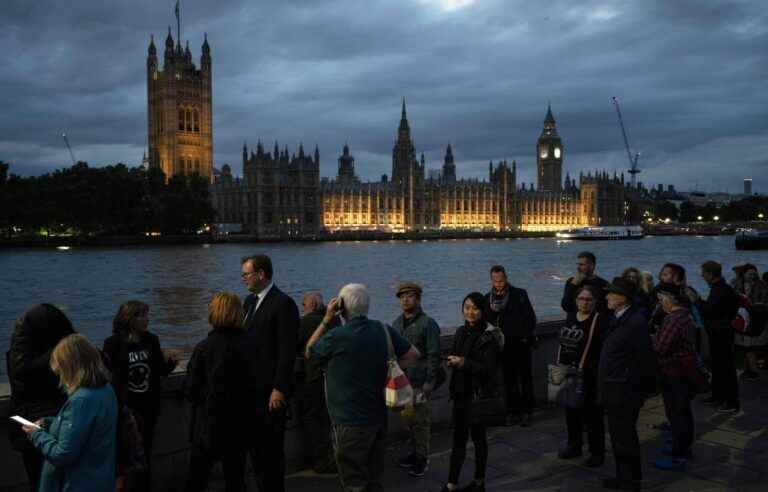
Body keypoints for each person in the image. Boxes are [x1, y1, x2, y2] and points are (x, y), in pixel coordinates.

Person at [306, 283, 419, 492]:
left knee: (353, 482)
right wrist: (386, 369)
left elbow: (310, 351)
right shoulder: (383, 329)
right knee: (374, 478)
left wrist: (326, 319)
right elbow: (413, 354)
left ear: (341, 307)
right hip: (378, 417)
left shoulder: (337, 336)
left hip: (349, 422)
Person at [22, 334, 118, 492]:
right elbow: (86, 429)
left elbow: (63, 454)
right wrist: (50, 422)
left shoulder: (81, 400)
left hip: (78, 484)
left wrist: (36, 434)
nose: (60, 377)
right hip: (102, 480)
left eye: (61, 370)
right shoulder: (106, 390)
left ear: (70, 367)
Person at [103, 300, 178, 490]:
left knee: (144, 456)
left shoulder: (151, 340)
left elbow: (158, 371)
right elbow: (108, 375)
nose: (147, 319)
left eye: (147, 315)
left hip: (148, 408)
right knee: (123, 456)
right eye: (143, 315)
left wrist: (171, 364)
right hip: (126, 409)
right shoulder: (113, 344)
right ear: (130, 318)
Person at [240, 254, 300, 492]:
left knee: (271, 451)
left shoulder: (283, 303)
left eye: (247, 274)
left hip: (271, 393)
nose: (243, 278)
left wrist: (279, 388)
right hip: (251, 391)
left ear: (261, 274)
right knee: (256, 449)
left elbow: (287, 351)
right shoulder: (248, 302)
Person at [184, 292, 252, 492]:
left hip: (208, 423)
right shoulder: (250, 345)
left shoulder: (204, 348)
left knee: (197, 479)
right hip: (239, 422)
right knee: (236, 478)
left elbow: (191, 390)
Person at [439, 292, 504, 492]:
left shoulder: (489, 337)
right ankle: (452, 483)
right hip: (460, 393)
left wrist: (464, 363)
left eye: (475, 308)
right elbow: (459, 358)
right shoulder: (460, 331)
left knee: (478, 440)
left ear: (483, 311)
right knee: (458, 441)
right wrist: (453, 362)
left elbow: (488, 369)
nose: (470, 312)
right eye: (466, 307)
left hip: (477, 397)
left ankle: (479, 481)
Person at [7, 304, 75, 492]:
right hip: (50, 420)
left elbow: (21, 376)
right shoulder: (58, 353)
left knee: (39, 479)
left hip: (28, 421)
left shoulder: (21, 351)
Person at [599, 277, 657, 492]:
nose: (607, 296)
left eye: (611, 294)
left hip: (624, 390)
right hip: (615, 387)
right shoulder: (619, 317)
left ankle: (631, 483)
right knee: (618, 437)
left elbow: (644, 359)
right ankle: (623, 478)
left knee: (625, 439)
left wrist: (637, 390)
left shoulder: (635, 322)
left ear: (623, 298)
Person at [392, 282, 442, 477]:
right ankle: (414, 454)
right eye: (402, 297)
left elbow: (434, 355)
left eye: (409, 296)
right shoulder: (396, 323)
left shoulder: (428, 323)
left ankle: (422, 458)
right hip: (404, 383)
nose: (405, 299)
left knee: (421, 421)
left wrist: (429, 382)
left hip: (421, 383)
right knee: (409, 421)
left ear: (418, 299)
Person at [556, 286, 607, 468]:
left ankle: (597, 452)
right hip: (570, 371)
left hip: (589, 374)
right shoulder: (571, 316)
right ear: (576, 300)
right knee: (571, 411)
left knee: (593, 416)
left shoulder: (599, 320)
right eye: (581, 299)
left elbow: (602, 350)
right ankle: (574, 445)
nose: (584, 302)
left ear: (595, 302)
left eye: (588, 299)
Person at [652, 288, 698, 472]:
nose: (660, 303)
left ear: (671, 300)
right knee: (684, 411)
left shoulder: (673, 319)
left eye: (662, 299)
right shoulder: (686, 316)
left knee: (676, 413)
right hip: (684, 371)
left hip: (673, 372)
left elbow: (661, 347)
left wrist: (653, 338)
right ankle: (684, 448)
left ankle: (678, 455)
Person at [485, 265, 537, 426]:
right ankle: (513, 412)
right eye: (495, 281)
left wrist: (524, 336)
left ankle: (527, 412)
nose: (499, 284)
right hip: (502, 346)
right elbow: (486, 322)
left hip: (521, 343)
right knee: (509, 381)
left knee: (525, 379)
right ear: (491, 280)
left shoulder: (519, 294)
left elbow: (531, 319)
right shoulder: (487, 298)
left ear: (506, 278)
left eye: (501, 280)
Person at [690, 261, 741, 413]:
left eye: (704, 272)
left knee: (725, 368)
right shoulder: (722, 288)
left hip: (722, 335)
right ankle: (718, 396)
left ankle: (731, 402)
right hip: (719, 333)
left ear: (711, 274)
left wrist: (696, 300)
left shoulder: (721, 290)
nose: (701, 275)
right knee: (718, 366)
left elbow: (711, 310)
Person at [294, 292, 337, 473]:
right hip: (330, 377)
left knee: (310, 418)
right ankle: (328, 457)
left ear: (307, 305)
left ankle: (314, 459)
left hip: (309, 378)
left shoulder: (301, 324)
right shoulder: (334, 322)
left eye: (303, 305)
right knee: (326, 418)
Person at [731, 264, 768, 380]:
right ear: (744, 274)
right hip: (742, 319)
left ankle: (753, 371)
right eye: (749, 273)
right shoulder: (736, 284)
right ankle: (750, 370)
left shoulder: (762, 285)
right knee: (744, 347)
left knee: (750, 347)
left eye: (754, 273)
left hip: (756, 319)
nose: (752, 276)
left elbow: (765, 301)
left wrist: (757, 305)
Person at [562, 251, 608, 317]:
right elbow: (565, 305)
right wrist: (573, 285)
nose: (578, 267)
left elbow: (604, 307)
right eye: (577, 264)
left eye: (581, 265)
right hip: (573, 320)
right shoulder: (571, 281)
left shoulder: (602, 284)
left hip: (593, 321)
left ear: (592, 266)